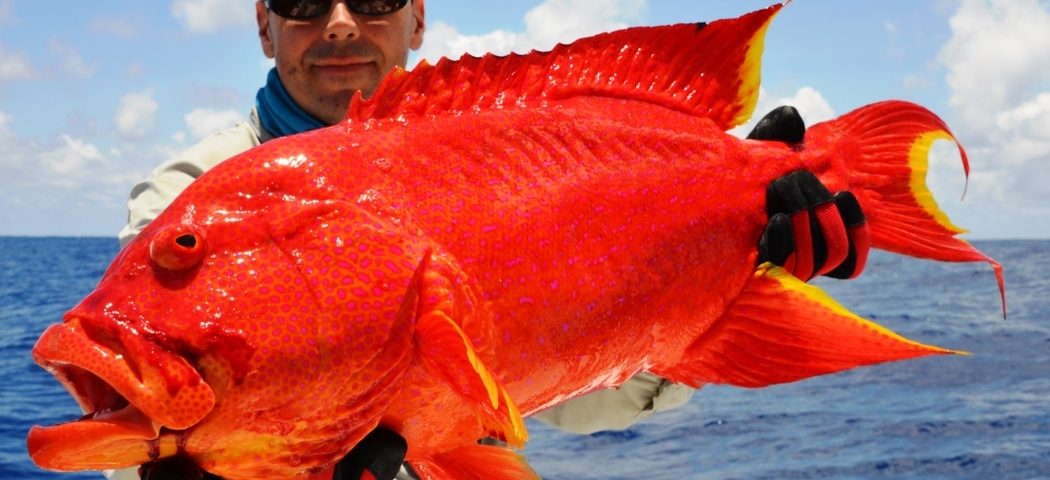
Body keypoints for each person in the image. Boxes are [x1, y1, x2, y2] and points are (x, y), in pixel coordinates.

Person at [115, 1, 869, 478]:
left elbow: (571, 400)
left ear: (417, 18)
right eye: (305, 1)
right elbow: (134, 417)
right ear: (263, 21)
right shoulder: (193, 194)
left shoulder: (501, 136)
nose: (340, 22)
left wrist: (728, 288)